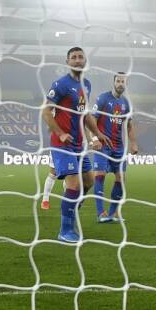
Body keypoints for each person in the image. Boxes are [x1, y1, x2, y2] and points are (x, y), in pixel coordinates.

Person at [42, 46, 99, 243]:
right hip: (62, 143)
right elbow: (46, 112)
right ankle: (65, 230)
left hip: (80, 144)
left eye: (80, 57)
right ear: (67, 62)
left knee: (89, 181)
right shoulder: (60, 84)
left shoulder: (87, 84)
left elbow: (86, 114)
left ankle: (71, 211)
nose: (77, 60)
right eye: (73, 57)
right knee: (73, 184)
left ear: (85, 61)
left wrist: (98, 134)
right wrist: (60, 133)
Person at [92, 72, 139, 223]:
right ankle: (101, 214)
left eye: (123, 81)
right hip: (103, 145)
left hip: (119, 147)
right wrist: (95, 138)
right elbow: (92, 118)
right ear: (114, 82)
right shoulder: (103, 98)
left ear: (126, 84)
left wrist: (133, 143)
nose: (120, 84)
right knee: (100, 175)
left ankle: (112, 214)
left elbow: (130, 125)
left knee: (121, 178)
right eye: (118, 81)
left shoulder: (126, 103)